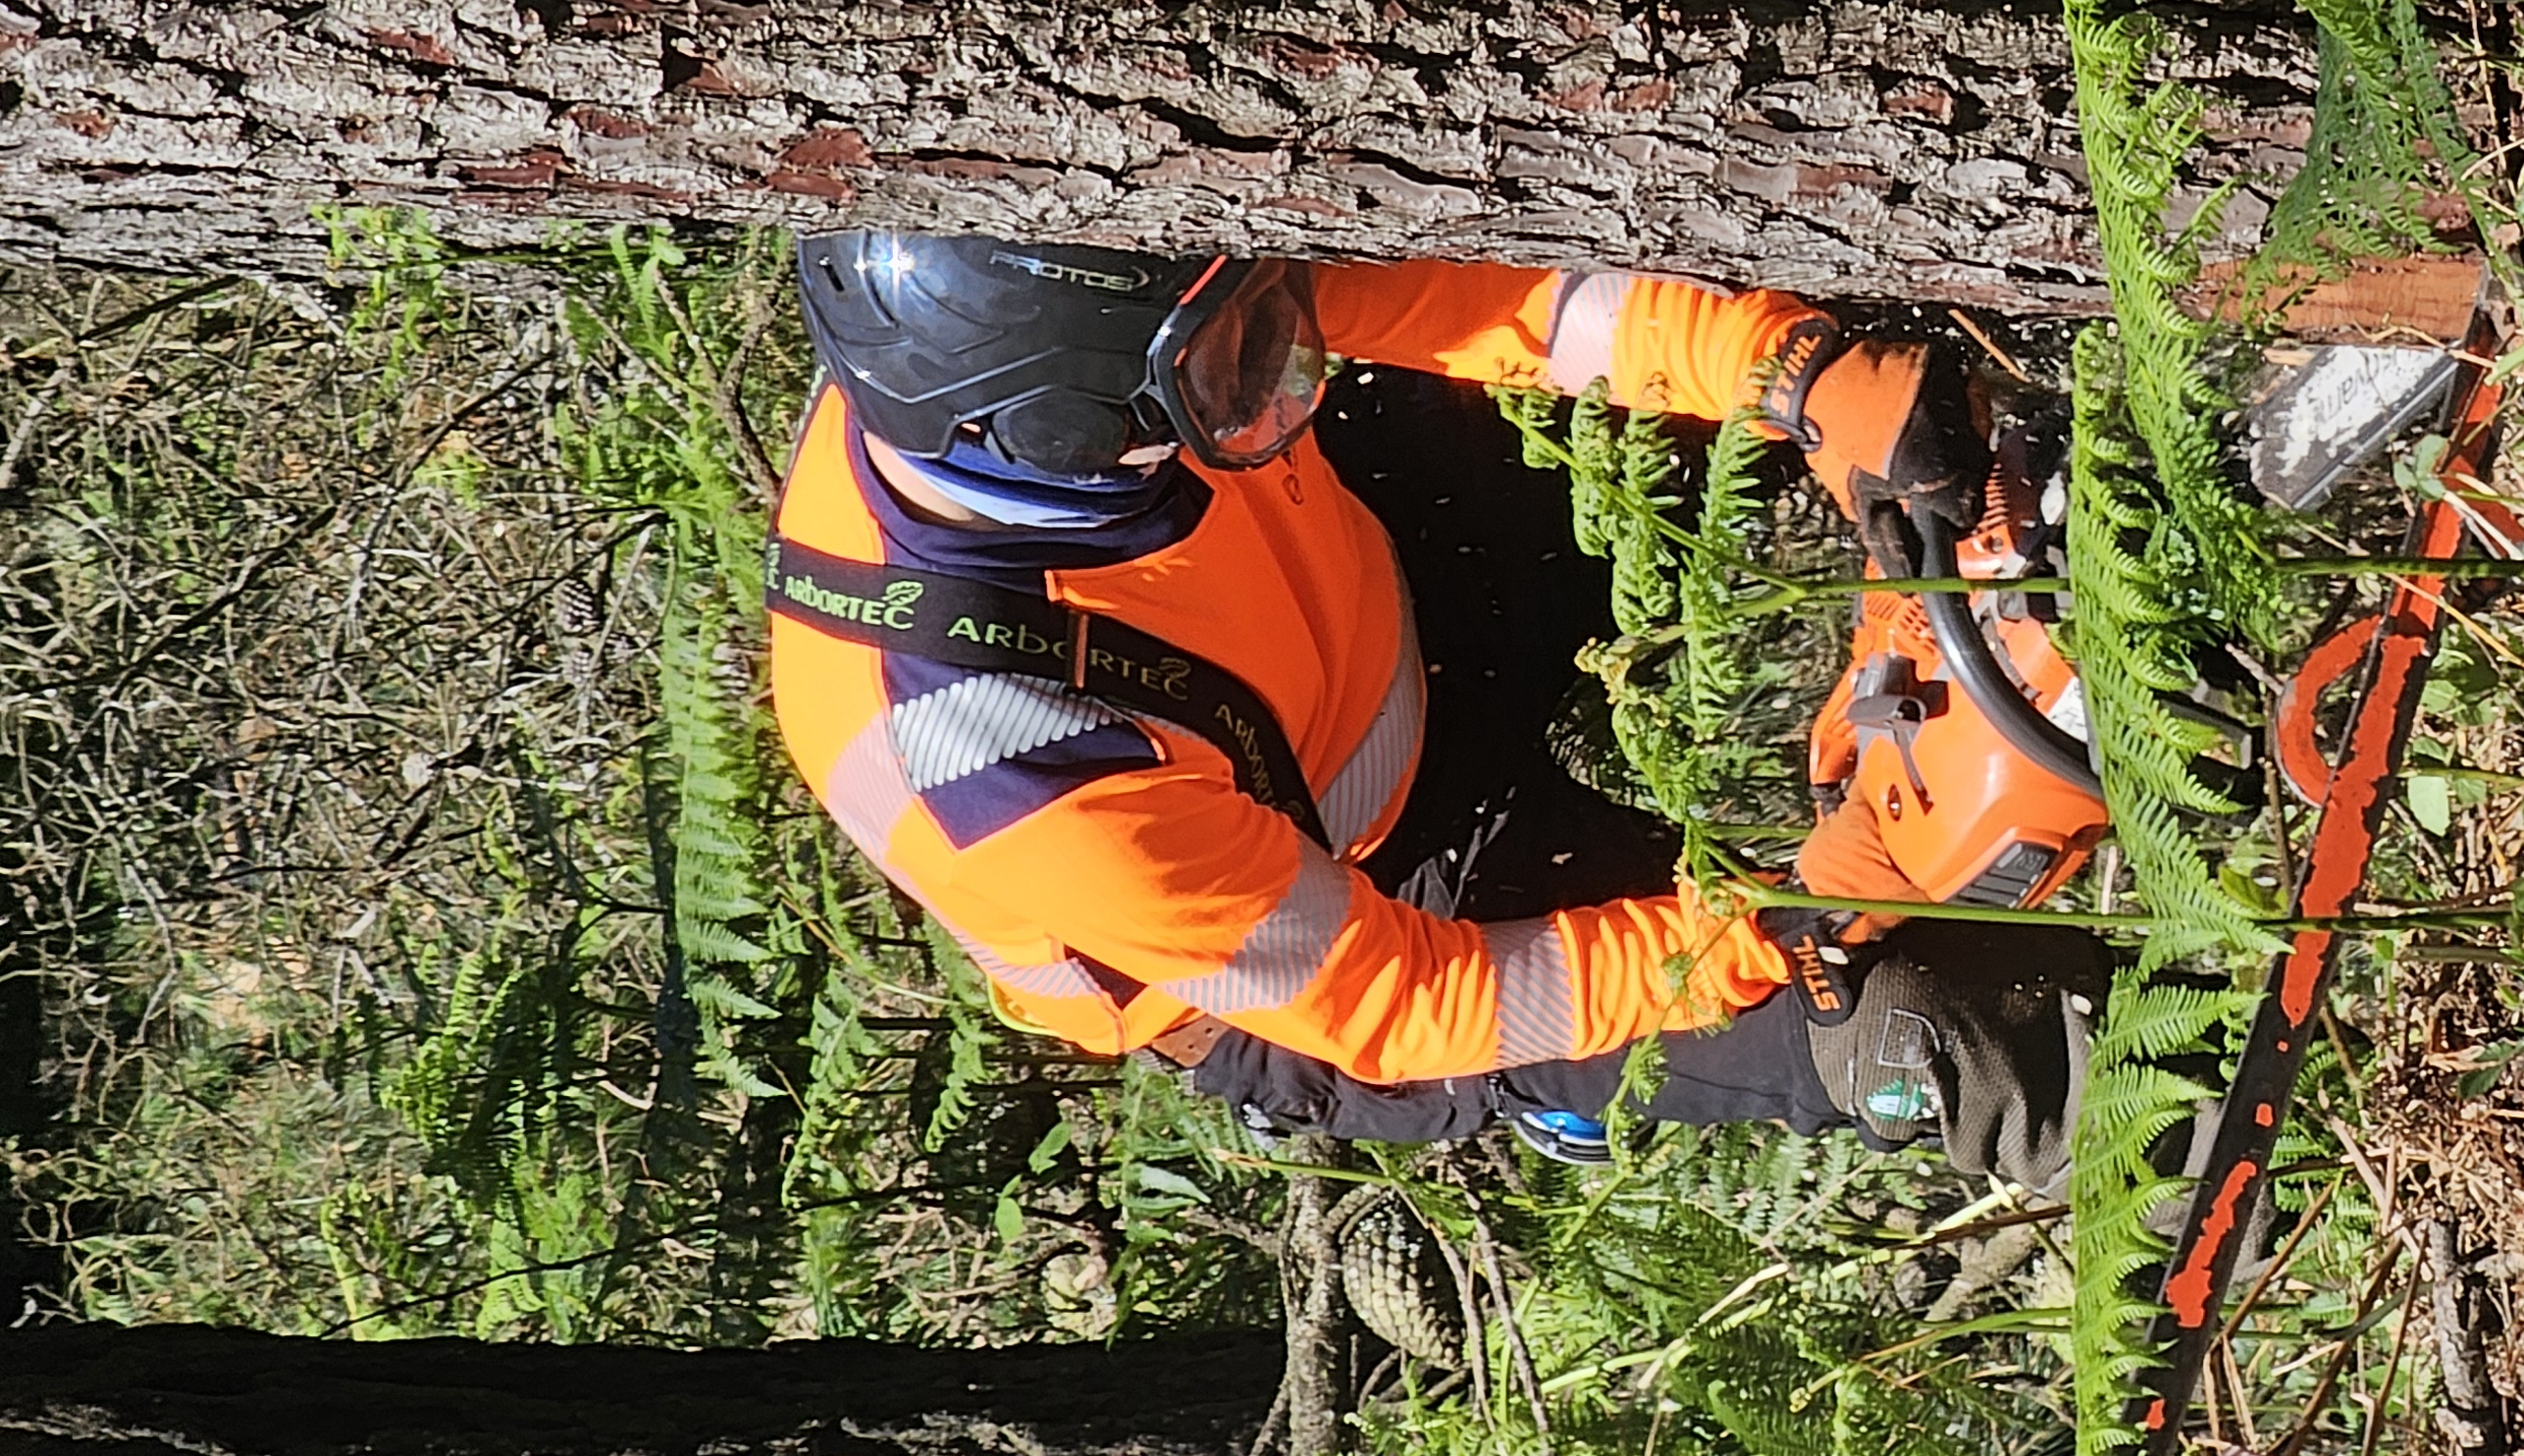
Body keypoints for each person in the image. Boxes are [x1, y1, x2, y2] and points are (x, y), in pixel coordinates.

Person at [762, 235, 2105, 1190]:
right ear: (1068, 442)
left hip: (1382, 575)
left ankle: (2048, 490)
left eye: (1262, 328)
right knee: (1913, 1015)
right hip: (1359, 926)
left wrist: (1789, 368)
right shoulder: (1010, 774)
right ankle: (2190, 1135)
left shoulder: (1072, 294)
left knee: (1773, 331)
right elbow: (1412, 1001)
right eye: (1237, 374)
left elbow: (1477, 293)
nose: (1282, 366)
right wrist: (1782, 921)